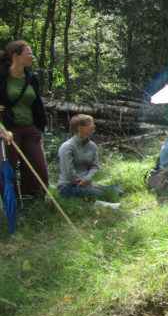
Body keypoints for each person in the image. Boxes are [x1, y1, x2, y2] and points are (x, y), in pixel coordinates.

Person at [0, 40, 48, 200]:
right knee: (9, 168)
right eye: (29, 53)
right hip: (8, 130)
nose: (32, 57)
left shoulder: (32, 78)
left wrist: (39, 126)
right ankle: (12, 205)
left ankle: (34, 203)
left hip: (31, 128)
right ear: (16, 56)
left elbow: (36, 103)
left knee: (38, 167)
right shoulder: (2, 76)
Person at [58, 114, 124, 199]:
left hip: (87, 184)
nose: (93, 126)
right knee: (101, 194)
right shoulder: (67, 147)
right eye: (90, 124)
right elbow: (69, 172)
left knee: (117, 191)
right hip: (68, 187)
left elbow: (95, 166)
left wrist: (87, 180)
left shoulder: (92, 146)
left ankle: (93, 193)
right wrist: (83, 183)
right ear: (80, 128)